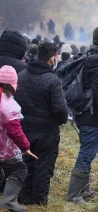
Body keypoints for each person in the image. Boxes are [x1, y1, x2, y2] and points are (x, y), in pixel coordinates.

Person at [65, 26, 98, 204]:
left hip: (88, 113)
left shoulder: (94, 57)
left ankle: (83, 190)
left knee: (89, 151)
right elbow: (97, 90)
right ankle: (74, 195)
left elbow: (97, 83)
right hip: (91, 114)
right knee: (86, 153)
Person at [14, 42, 68, 205]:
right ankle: (38, 202)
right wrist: (60, 120)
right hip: (46, 131)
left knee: (25, 165)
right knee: (43, 167)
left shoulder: (21, 75)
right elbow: (60, 110)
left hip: (23, 129)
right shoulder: (53, 81)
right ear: (52, 58)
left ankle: (23, 198)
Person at [0, 66, 37, 212]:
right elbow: (15, 131)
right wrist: (26, 147)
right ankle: (8, 201)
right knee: (19, 169)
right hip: (3, 148)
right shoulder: (8, 104)